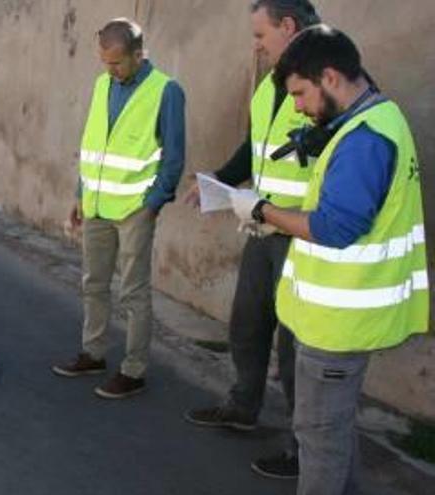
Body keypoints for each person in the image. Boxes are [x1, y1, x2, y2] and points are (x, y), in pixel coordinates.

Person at [230, 25, 428, 495]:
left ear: (332, 78)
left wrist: (261, 210)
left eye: (300, 94)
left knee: (318, 439)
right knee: (333, 433)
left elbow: (335, 229)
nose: (296, 106)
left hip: (340, 321)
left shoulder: (364, 141)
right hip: (343, 316)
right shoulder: (375, 118)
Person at [183, 0, 320, 479]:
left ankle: (307, 450)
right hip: (263, 225)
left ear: (289, 26)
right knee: (248, 321)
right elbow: (255, 149)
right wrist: (216, 181)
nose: (255, 46)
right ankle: (243, 406)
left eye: (261, 35)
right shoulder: (270, 85)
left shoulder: (330, 80)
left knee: (296, 347)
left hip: (305, 234)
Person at [52, 17, 185, 399]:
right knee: (93, 283)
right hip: (95, 205)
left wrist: (153, 204)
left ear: (138, 55)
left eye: (117, 63)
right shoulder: (101, 84)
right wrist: (80, 194)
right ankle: (93, 353)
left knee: (133, 292)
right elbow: (92, 143)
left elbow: (174, 157)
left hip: (134, 209)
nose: (109, 70)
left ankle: (134, 370)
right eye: (105, 62)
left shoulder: (167, 91)